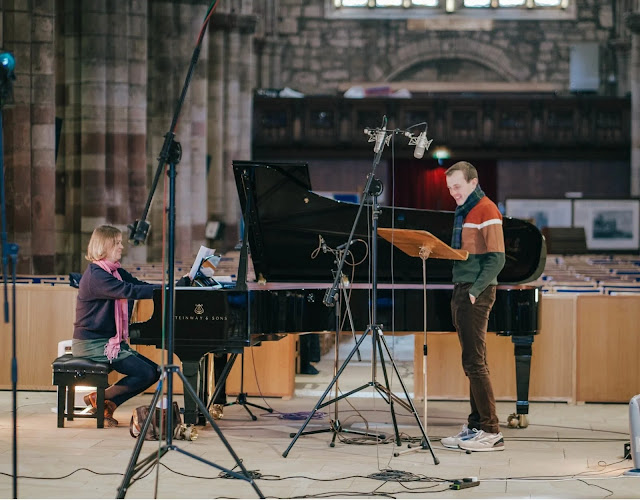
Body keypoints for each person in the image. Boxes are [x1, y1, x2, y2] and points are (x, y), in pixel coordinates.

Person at [441, 161, 506, 452]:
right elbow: (465, 253)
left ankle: (491, 430)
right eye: (450, 188)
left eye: (456, 186)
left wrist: (475, 291)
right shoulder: (464, 210)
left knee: (475, 363)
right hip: (463, 288)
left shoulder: (486, 209)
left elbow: (497, 259)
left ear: (472, 182)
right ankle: (475, 426)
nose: (453, 192)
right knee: (471, 362)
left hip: (475, 292)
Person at [72, 225, 161, 427]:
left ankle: (103, 401)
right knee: (146, 373)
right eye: (117, 243)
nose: (122, 247)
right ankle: (102, 400)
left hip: (107, 341)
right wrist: (169, 291)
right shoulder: (97, 276)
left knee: (154, 371)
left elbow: (140, 285)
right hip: (92, 342)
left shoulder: (114, 271)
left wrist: (173, 287)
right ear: (105, 245)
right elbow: (130, 291)